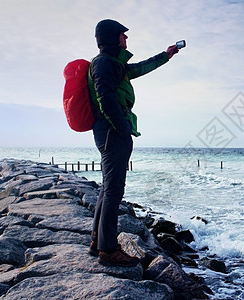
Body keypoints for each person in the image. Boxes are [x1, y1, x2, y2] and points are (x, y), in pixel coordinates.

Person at [88, 19, 179, 267]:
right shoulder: (104, 63)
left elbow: (139, 68)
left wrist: (165, 55)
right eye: (123, 36)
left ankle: (98, 241)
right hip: (111, 132)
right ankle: (108, 250)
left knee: (108, 188)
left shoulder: (113, 63)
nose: (126, 39)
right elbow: (105, 98)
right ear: (112, 37)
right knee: (114, 189)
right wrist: (122, 127)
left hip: (110, 131)